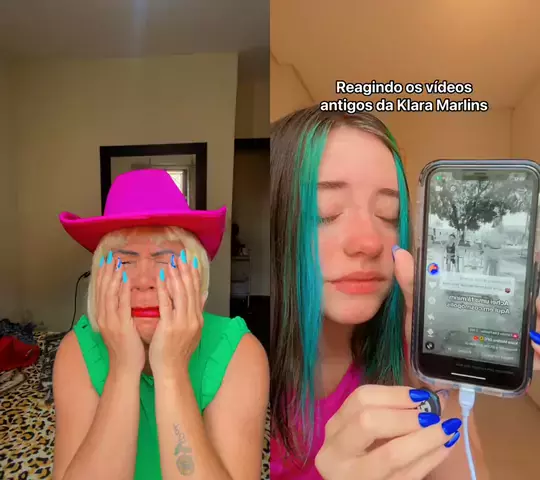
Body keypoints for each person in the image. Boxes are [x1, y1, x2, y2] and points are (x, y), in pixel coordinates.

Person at [270, 106, 540, 480]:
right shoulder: (240, 371)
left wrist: (439, 380)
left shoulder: (407, 353)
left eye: (389, 214)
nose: (369, 243)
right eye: (326, 212)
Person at [53, 169, 269, 480]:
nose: (144, 281)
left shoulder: (240, 354)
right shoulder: (76, 351)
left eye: (165, 259)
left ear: (196, 274)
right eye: (124, 261)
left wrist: (171, 370)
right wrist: (123, 368)